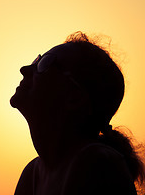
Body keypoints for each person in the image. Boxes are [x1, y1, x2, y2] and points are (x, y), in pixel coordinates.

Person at [10, 32, 145, 195]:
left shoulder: (97, 164)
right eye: (37, 60)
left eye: (44, 63)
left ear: (74, 97)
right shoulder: (32, 173)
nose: (25, 69)